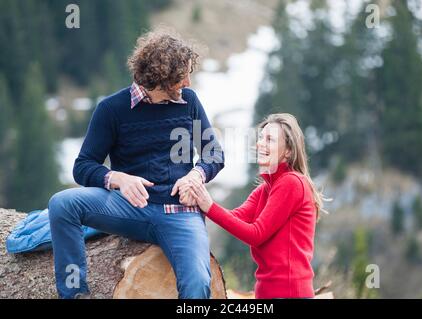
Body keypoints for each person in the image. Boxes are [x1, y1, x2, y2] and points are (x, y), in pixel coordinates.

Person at [48, 30, 224, 299]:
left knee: (198, 283)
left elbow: (214, 154)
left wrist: (197, 175)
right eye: (181, 76)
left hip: (179, 212)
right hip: (127, 208)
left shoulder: (189, 102)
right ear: (160, 77)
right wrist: (117, 178)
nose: (188, 82)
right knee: (62, 204)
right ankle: (74, 294)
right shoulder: (112, 109)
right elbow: (83, 166)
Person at [186, 113, 325, 299]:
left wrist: (209, 206)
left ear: (288, 151)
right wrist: (198, 202)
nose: (260, 144)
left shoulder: (291, 183)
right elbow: (235, 216)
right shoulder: (265, 190)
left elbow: (256, 234)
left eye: (270, 140)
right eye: (261, 138)